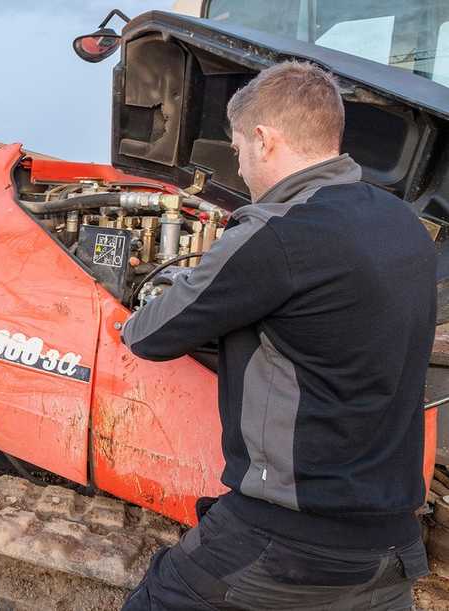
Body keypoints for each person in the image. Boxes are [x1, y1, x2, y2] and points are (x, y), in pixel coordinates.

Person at [120, 61, 435, 609]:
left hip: (288, 543)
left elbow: (149, 334)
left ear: (264, 141)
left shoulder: (277, 233)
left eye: (239, 149)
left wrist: (174, 281)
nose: (239, 170)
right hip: (392, 546)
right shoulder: (403, 224)